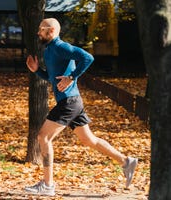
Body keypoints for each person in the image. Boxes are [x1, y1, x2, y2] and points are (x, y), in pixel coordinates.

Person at [24, 18, 138, 196]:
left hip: (69, 102)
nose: (38, 32)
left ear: (52, 31)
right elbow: (53, 78)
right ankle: (126, 161)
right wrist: (37, 70)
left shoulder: (61, 47)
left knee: (43, 137)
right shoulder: (49, 51)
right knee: (88, 140)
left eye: (41, 29)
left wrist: (72, 77)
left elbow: (88, 57)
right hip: (72, 101)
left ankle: (47, 185)